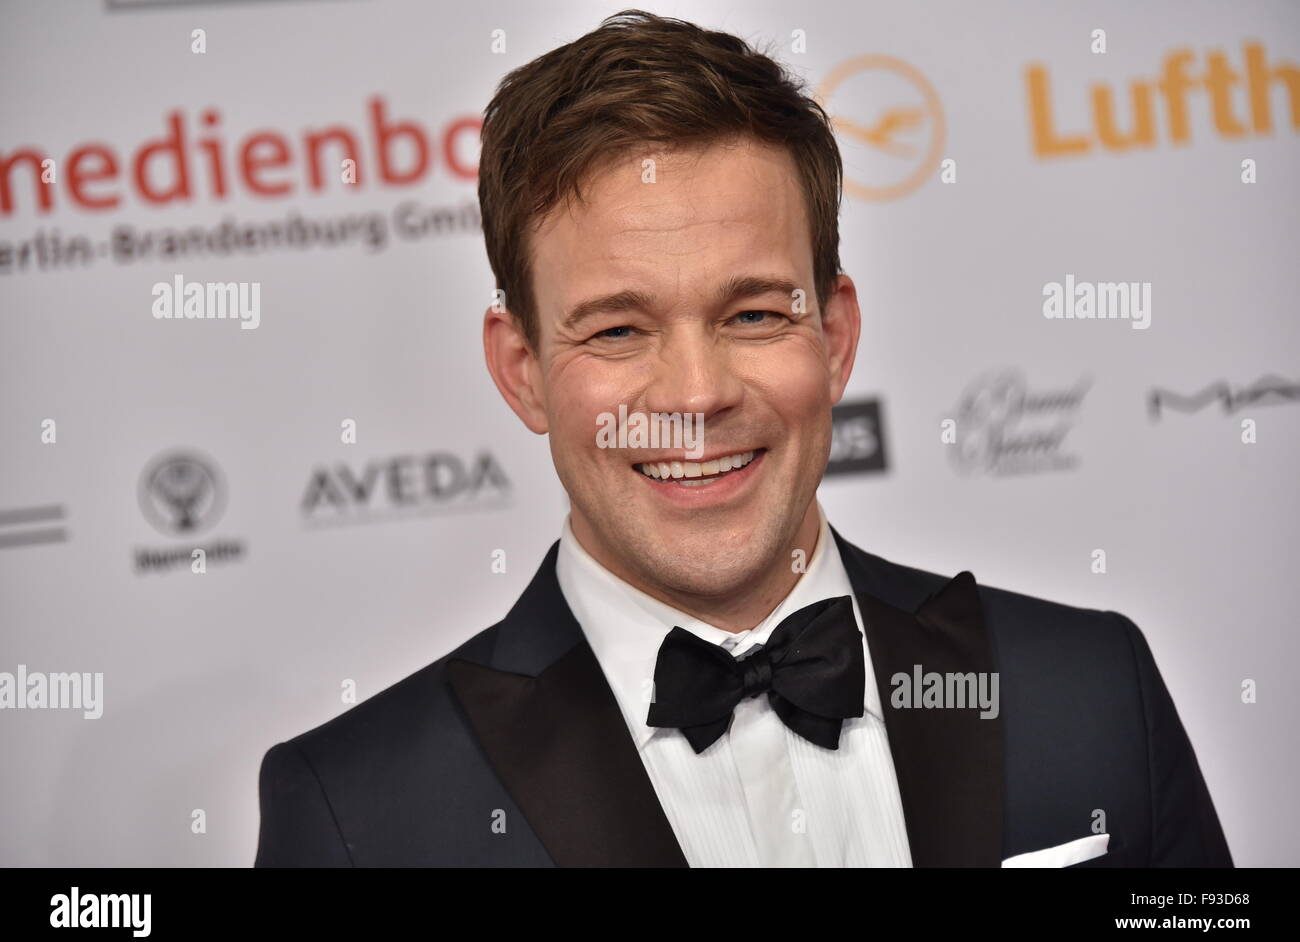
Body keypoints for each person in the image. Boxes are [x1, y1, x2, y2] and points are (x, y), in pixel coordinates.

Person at [254, 10, 1232, 867]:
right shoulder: (360, 814)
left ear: (835, 337)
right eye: (618, 330)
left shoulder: (1088, 689)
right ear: (523, 371)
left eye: (755, 315)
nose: (695, 394)